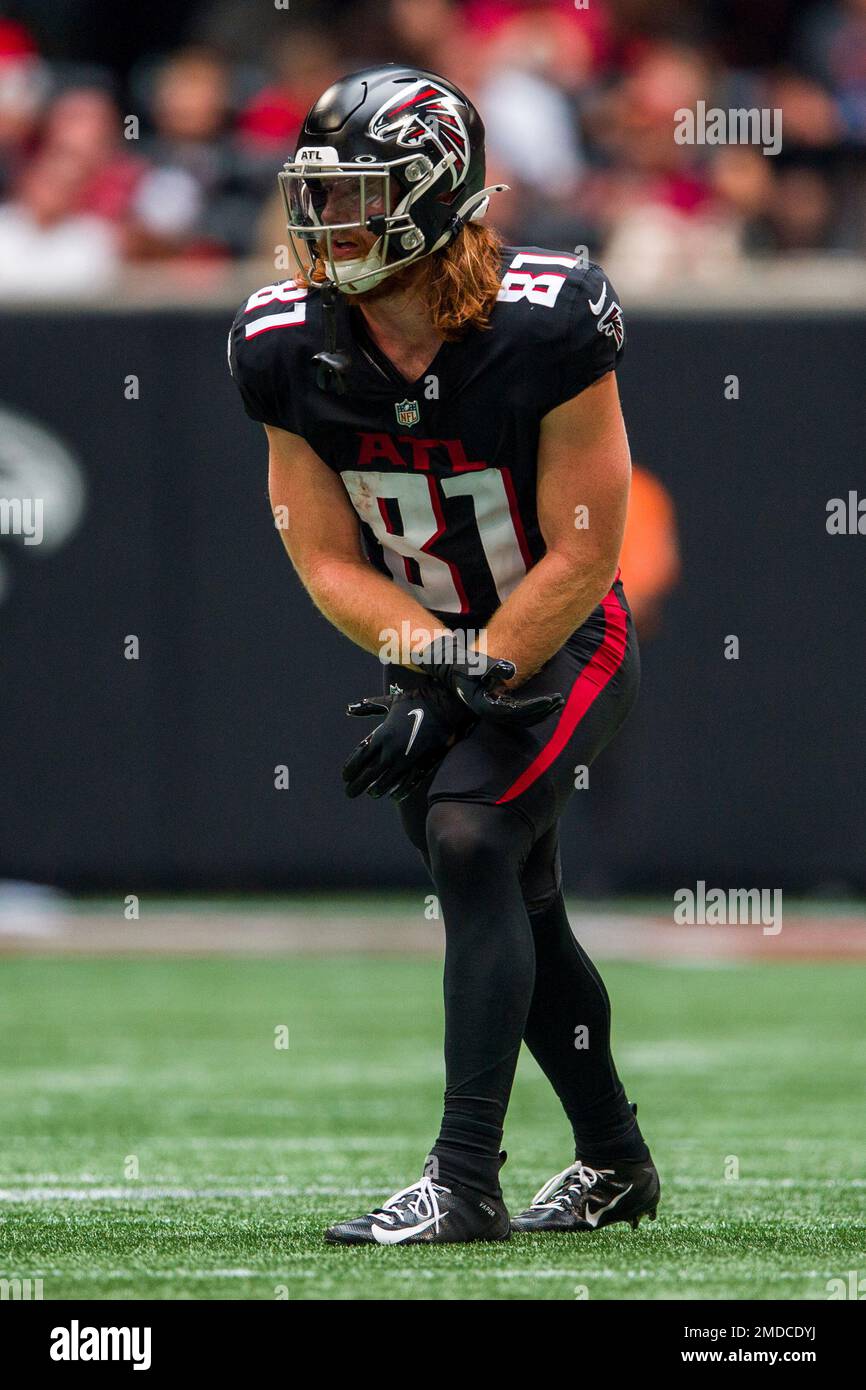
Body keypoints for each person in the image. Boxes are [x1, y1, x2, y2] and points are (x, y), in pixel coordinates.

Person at [229, 63, 660, 1245]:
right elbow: (323, 556)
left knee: (471, 836)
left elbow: (581, 553)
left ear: (431, 195)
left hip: (566, 637)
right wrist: (426, 662)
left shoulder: (547, 319)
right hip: (435, 654)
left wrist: (470, 676)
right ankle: (615, 1162)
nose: (325, 224)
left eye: (356, 195)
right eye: (314, 196)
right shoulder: (283, 344)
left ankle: (462, 1177)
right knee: (513, 890)